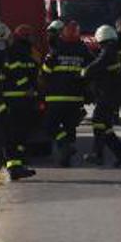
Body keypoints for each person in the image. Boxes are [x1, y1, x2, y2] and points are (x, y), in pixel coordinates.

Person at [83, 25, 121, 167]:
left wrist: (84, 71)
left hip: (108, 94)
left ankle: (97, 154)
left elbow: (97, 65)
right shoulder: (112, 50)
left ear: (100, 38)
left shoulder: (107, 52)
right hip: (112, 94)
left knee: (98, 121)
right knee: (105, 125)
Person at [41, 19, 90, 167]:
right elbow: (90, 71)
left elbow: (46, 72)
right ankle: (65, 156)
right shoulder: (83, 50)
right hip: (76, 99)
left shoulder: (57, 50)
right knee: (69, 128)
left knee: (50, 125)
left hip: (56, 97)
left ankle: (64, 146)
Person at [0, 24, 41, 181]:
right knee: (14, 134)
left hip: (25, 99)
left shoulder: (30, 52)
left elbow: (36, 72)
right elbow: (17, 72)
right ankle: (14, 166)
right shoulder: (14, 52)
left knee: (22, 132)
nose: (33, 38)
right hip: (15, 98)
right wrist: (27, 87)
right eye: (30, 36)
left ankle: (19, 163)